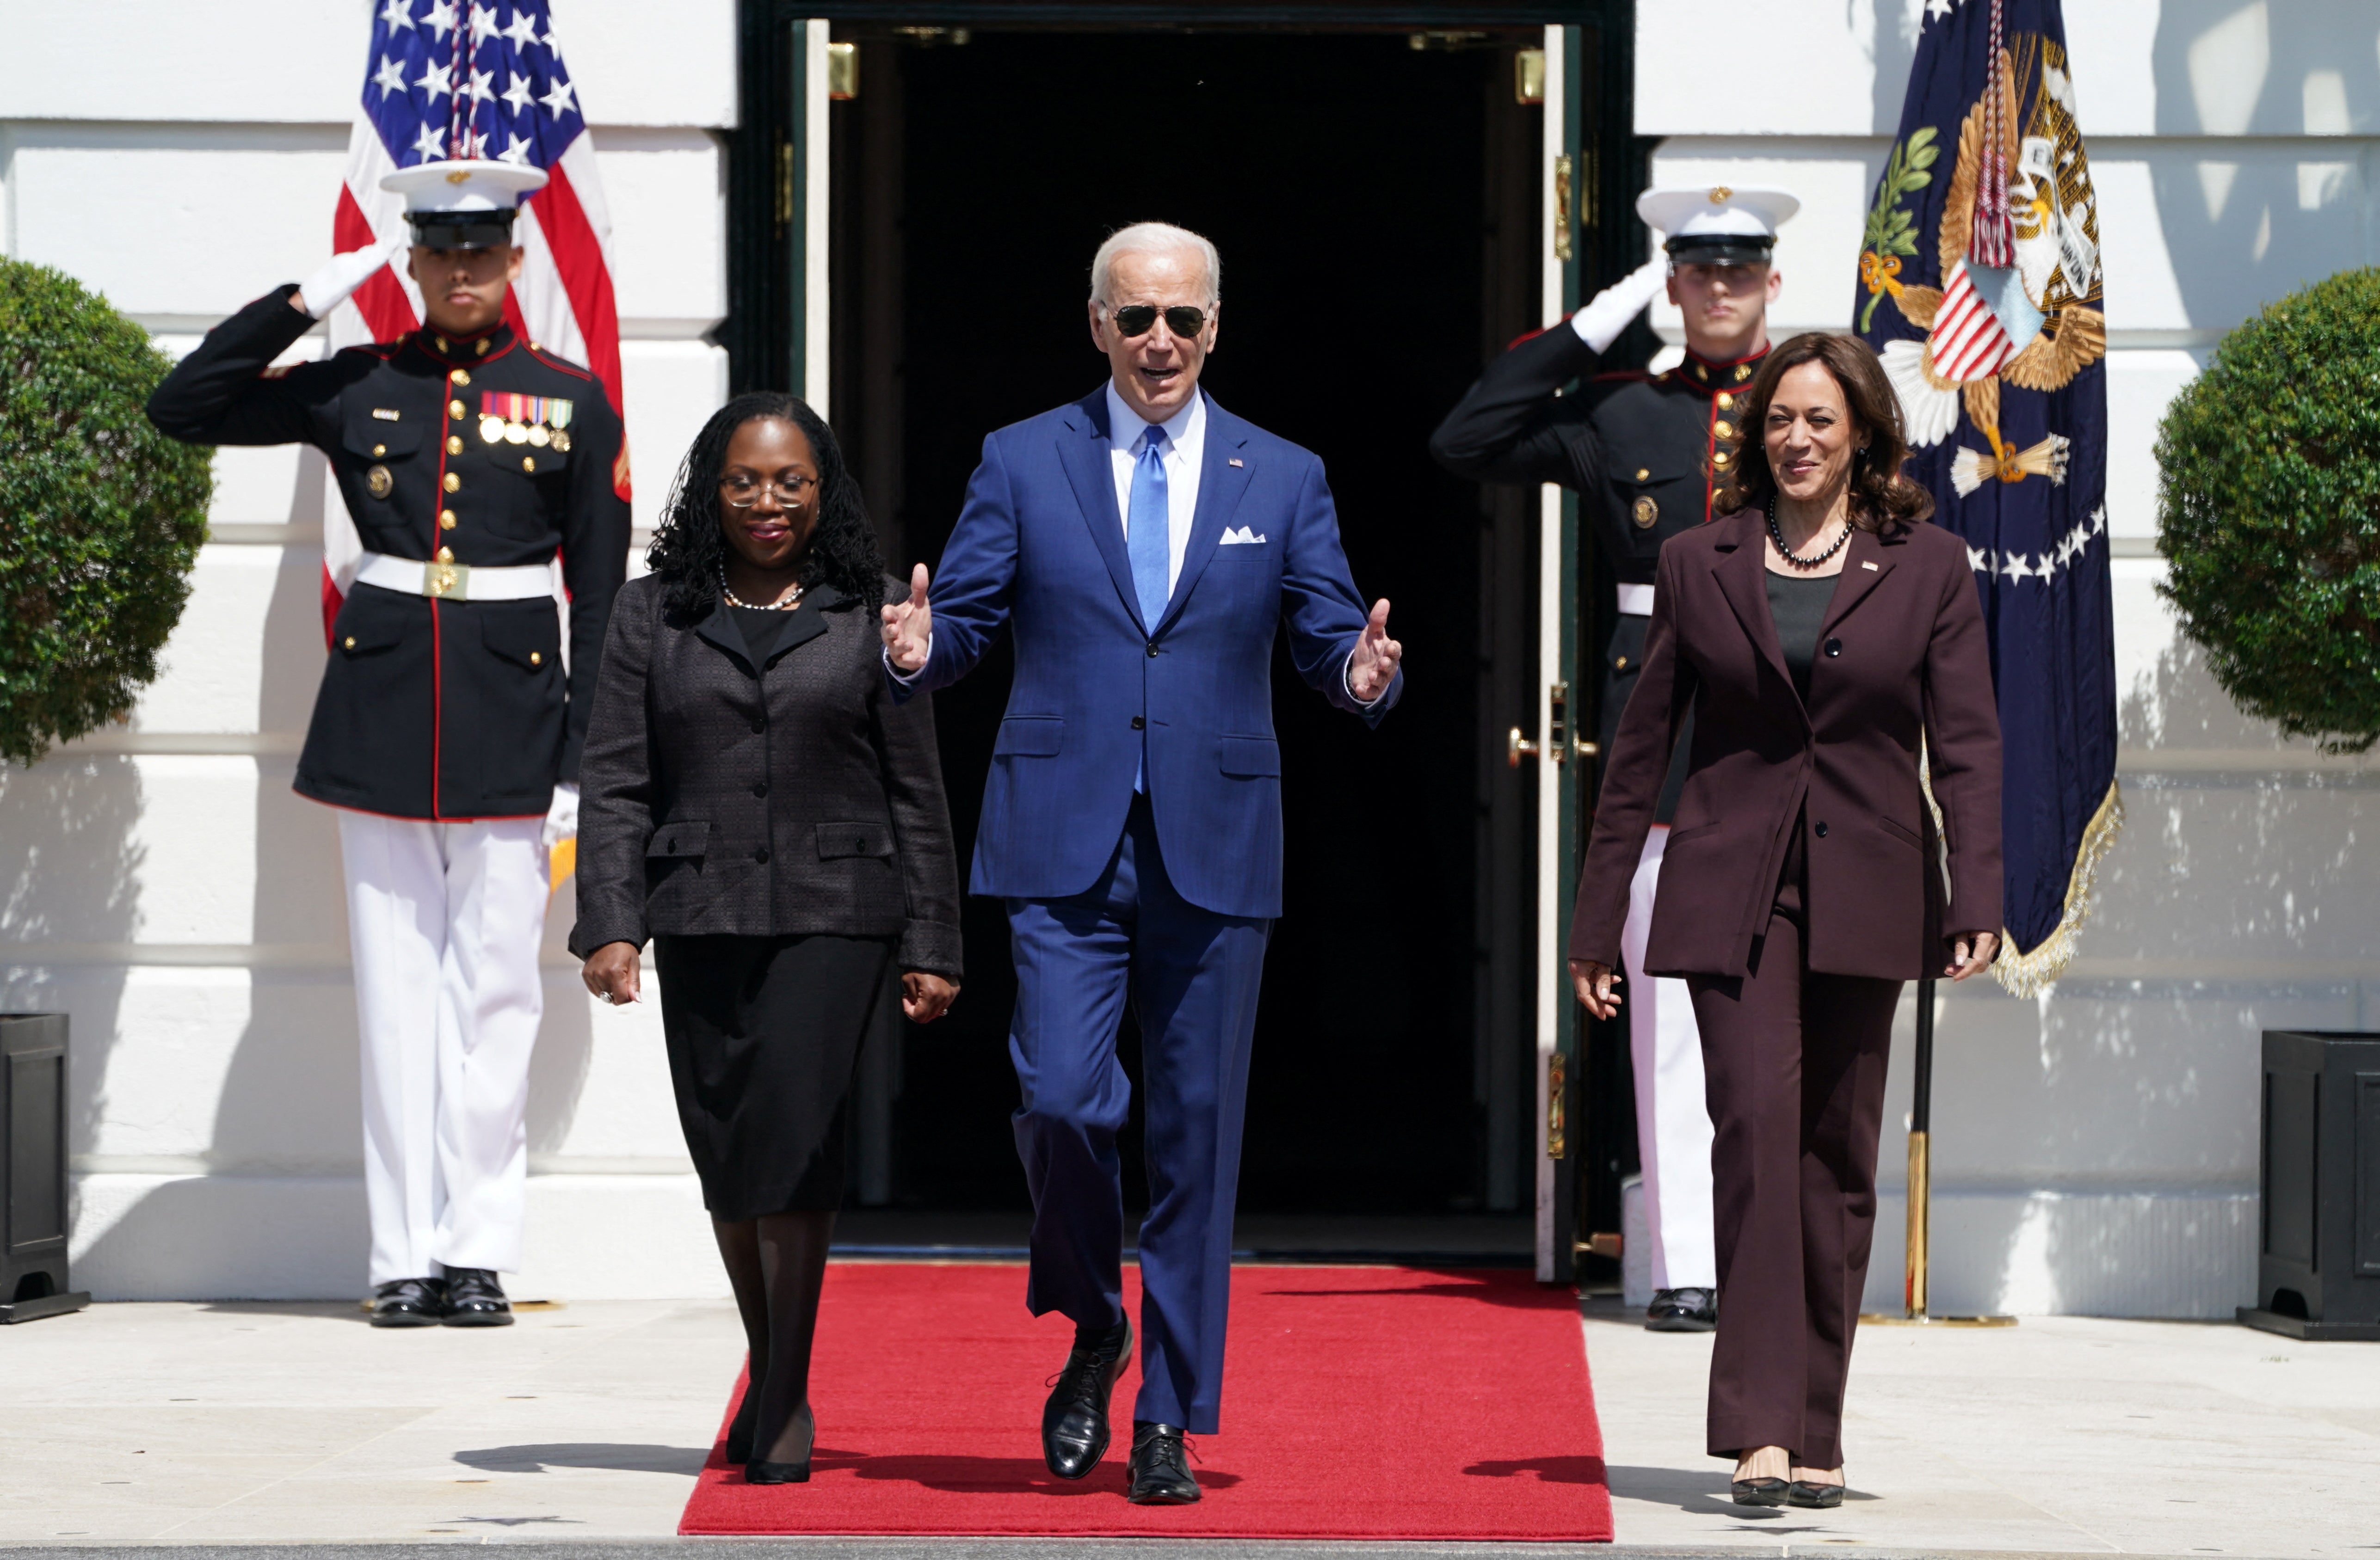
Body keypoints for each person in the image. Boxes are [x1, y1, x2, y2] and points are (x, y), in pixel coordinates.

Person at [879, 222, 1403, 1504]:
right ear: (1096, 325)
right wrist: (915, 649)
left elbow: (1327, 634)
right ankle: (1093, 1318)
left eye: (1181, 318)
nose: (1158, 340)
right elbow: (969, 626)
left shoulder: (1280, 474)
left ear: (1216, 326)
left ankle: (1167, 1412)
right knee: (1061, 1094)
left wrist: (1360, 673)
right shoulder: (1021, 457)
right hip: (1061, 838)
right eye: (1134, 317)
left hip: (1215, 842)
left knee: (1196, 1140)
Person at [147, 160, 629, 1328]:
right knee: (397, 1002)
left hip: (516, 726)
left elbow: (605, 598)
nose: (461, 271)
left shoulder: (568, 398)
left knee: (499, 998)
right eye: (439, 252)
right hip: (379, 720)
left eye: (482, 252)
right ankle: (401, 1256)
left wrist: (582, 762)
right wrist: (310, 293)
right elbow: (186, 404)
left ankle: (476, 1252)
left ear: (516, 261)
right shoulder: (357, 380)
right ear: (410, 263)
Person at [1567, 332, 2002, 1507]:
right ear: (1753, 437)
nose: (1796, 440)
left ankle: (1818, 1430)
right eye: (1778, 421)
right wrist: (1595, 921)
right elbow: (1638, 752)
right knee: (1753, 1136)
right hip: (1728, 890)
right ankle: (1757, 1425)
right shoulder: (1698, 560)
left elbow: (1964, 746)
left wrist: (1979, 896)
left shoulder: (1930, 566)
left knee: (1834, 1160)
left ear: (1861, 431)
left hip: (1867, 889)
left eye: (1819, 420)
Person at [1430, 184, 1801, 1333]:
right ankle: (1688, 1261)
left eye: (1740, 271)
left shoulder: (1810, 401)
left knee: (1793, 1016)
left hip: (1792, 725)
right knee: (1668, 1011)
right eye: (1697, 271)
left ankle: (1776, 1255)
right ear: (1672, 284)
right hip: (1669, 730)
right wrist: (1600, 319)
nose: (1721, 289)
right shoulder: (1622, 412)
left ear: (1771, 283)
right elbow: (1467, 436)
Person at [572, 393, 962, 1484]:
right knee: (729, 1152)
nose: (767, 502)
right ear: (712, 489)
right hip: (697, 907)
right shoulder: (651, 613)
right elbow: (614, 777)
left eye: (790, 480)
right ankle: (774, 1359)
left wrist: (936, 937)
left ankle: (780, 1398)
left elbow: (916, 790)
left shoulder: (873, 609)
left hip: (839, 915)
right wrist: (609, 923)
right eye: (744, 480)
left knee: (789, 1130)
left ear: (822, 488)